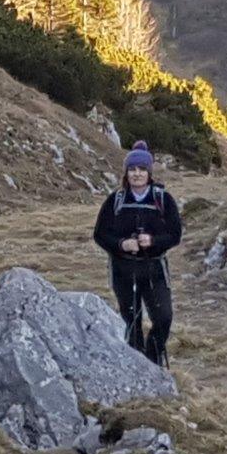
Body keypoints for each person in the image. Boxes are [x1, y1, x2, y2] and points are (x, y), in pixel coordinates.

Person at [92, 141, 182, 367]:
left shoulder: (163, 199)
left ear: (149, 173)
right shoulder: (115, 200)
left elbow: (175, 235)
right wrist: (122, 244)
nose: (137, 174)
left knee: (163, 318)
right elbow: (100, 234)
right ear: (126, 173)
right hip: (123, 270)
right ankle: (136, 367)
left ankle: (153, 361)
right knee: (131, 322)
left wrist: (153, 241)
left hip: (154, 269)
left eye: (142, 169)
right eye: (132, 169)